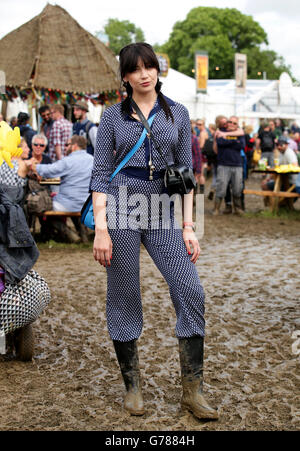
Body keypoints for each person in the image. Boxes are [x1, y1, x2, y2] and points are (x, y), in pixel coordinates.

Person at [90, 42, 218, 420]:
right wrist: (101, 229)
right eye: (136, 69)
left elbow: (186, 174)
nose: (145, 74)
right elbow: (100, 173)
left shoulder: (177, 112)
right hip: (122, 205)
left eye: (151, 67)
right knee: (125, 294)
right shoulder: (113, 116)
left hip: (163, 207)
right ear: (126, 76)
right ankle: (132, 387)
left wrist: (189, 227)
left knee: (190, 289)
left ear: (157, 70)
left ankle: (192, 392)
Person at [31, 135, 93, 212]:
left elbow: (50, 170)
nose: (65, 148)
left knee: (38, 204)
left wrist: (35, 167)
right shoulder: (92, 160)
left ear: (74, 146)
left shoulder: (68, 161)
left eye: (67, 145)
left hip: (66, 205)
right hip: (87, 205)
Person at [213, 116, 246, 215]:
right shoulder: (220, 131)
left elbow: (241, 145)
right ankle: (216, 209)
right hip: (223, 164)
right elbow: (220, 142)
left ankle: (238, 209)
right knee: (221, 188)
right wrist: (234, 141)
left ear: (237, 125)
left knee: (237, 188)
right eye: (230, 122)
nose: (231, 124)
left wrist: (227, 140)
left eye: (234, 123)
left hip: (237, 165)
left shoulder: (240, 133)